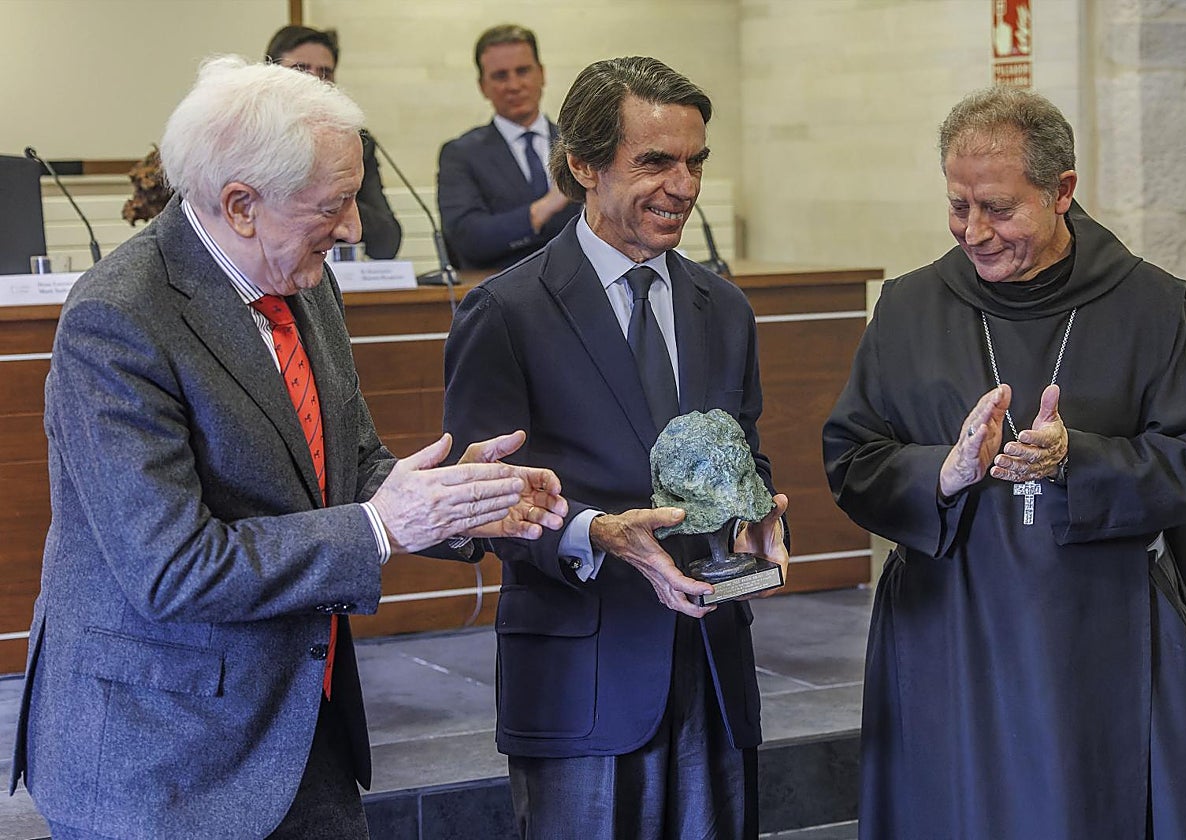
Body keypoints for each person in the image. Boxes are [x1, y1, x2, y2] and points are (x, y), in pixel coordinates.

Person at [9, 55, 567, 840]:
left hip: (303, 726)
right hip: (162, 762)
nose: (354, 228)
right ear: (241, 205)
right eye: (333, 204)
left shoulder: (302, 276)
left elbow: (349, 466)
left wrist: (454, 501)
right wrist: (383, 526)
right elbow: (174, 568)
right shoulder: (118, 318)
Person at [823, 86, 1186, 839]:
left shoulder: (1154, 307)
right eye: (958, 205)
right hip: (950, 627)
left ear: (1062, 191)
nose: (974, 231)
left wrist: (1076, 460)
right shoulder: (909, 308)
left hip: (1100, 627)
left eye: (998, 208)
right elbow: (853, 459)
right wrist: (944, 472)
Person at [442, 56, 789, 839]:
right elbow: (475, 504)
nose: (685, 185)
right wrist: (594, 533)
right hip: (581, 682)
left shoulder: (725, 309)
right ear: (583, 166)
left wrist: (759, 522)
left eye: (696, 162)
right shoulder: (503, 313)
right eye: (656, 162)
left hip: (714, 675)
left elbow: (745, 458)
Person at [436, 24, 578, 272]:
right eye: (500, 76)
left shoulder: (578, 145)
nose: (513, 85)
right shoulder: (461, 154)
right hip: (502, 285)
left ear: (542, 74)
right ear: (483, 86)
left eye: (523, 71)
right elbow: (466, 238)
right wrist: (542, 209)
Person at [266, 25, 403, 261]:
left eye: (325, 73)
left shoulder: (355, 143)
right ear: (270, 76)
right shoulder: (249, 140)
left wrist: (338, 195)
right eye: (300, 69)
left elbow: (387, 242)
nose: (314, 81)